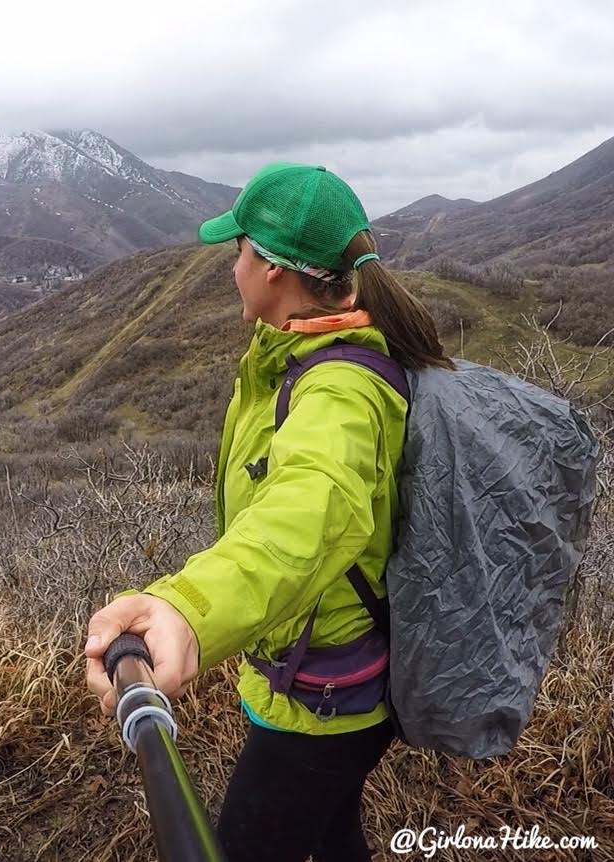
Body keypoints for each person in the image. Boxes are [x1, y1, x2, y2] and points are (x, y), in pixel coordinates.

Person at [83, 163, 453, 862]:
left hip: (322, 696)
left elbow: (303, 518)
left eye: (240, 251)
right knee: (333, 831)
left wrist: (189, 611)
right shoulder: (296, 355)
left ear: (276, 271)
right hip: (327, 673)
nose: (233, 267)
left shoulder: (338, 390)